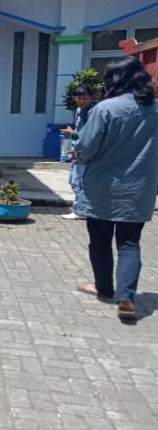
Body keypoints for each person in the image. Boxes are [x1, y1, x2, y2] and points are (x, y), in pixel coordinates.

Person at [72, 56, 158, 322]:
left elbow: (85, 149)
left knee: (99, 241)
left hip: (103, 188)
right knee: (129, 243)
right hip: (139, 189)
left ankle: (104, 288)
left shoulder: (105, 109)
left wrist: (79, 155)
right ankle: (126, 297)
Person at [60, 84, 95, 220]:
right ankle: (81, 209)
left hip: (85, 153)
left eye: (84, 98)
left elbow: (90, 135)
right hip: (78, 150)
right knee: (73, 180)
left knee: (78, 182)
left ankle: (81, 211)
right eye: (78, 98)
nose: (81, 101)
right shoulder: (80, 110)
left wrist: (72, 133)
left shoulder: (92, 112)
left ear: (90, 97)